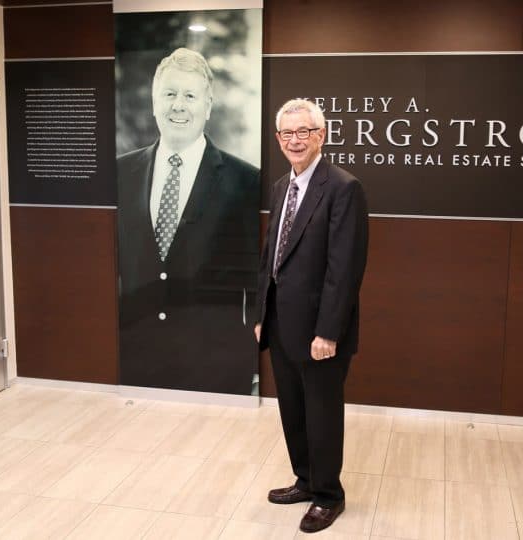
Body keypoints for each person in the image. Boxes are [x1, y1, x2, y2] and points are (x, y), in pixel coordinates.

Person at [117, 47, 260, 395]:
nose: (178, 105)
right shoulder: (119, 173)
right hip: (136, 361)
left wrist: (256, 363)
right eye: (169, 94)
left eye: (190, 95)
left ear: (207, 107)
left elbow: (258, 275)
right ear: (154, 103)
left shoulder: (247, 182)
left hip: (217, 367)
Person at [255, 98, 369, 533]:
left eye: (304, 132)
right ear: (278, 138)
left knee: (321, 414)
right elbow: (271, 257)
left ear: (321, 135)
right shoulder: (282, 186)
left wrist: (328, 331)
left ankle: (328, 495)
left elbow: (345, 269)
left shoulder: (343, 187)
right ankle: (304, 479)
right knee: (293, 410)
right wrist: (263, 313)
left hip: (321, 332)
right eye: (287, 133)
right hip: (281, 324)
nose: (295, 140)